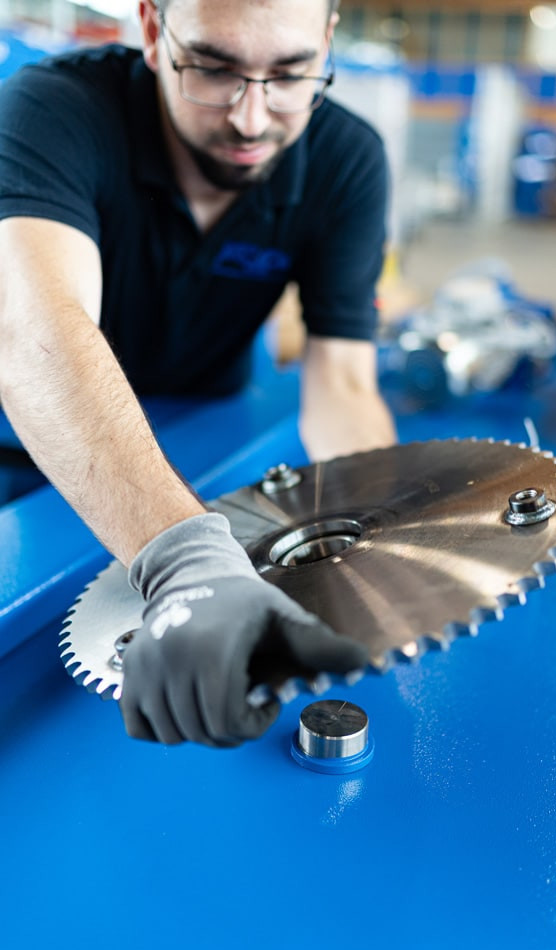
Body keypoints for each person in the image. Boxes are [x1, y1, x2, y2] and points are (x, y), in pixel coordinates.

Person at [0, 0, 397, 748]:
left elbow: (343, 385)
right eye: (213, 69)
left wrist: (378, 543)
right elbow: (34, 337)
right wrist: (189, 563)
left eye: (290, 75)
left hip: (206, 452)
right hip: (29, 457)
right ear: (154, 32)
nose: (251, 119)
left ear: (327, 41)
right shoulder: (53, 111)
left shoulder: (346, 160)